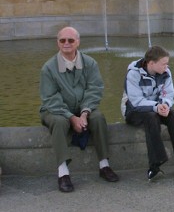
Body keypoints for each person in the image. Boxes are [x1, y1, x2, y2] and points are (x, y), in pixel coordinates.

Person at [39, 26, 119, 193]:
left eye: (71, 40)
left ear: (78, 42)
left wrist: (84, 113)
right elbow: (50, 98)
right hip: (55, 110)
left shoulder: (90, 63)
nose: (66, 43)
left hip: (83, 109)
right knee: (60, 122)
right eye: (62, 40)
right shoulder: (48, 68)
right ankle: (63, 173)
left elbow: (95, 89)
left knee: (98, 118)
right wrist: (71, 118)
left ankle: (104, 165)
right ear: (58, 43)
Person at [122, 46, 174, 180]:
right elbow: (136, 101)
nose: (166, 66)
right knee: (151, 118)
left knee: (173, 115)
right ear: (151, 63)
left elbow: (168, 94)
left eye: (167, 63)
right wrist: (156, 106)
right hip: (133, 110)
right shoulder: (133, 73)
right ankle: (155, 165)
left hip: (156, 108)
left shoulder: (166, 72)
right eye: (163, 63)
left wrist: (165, 105)